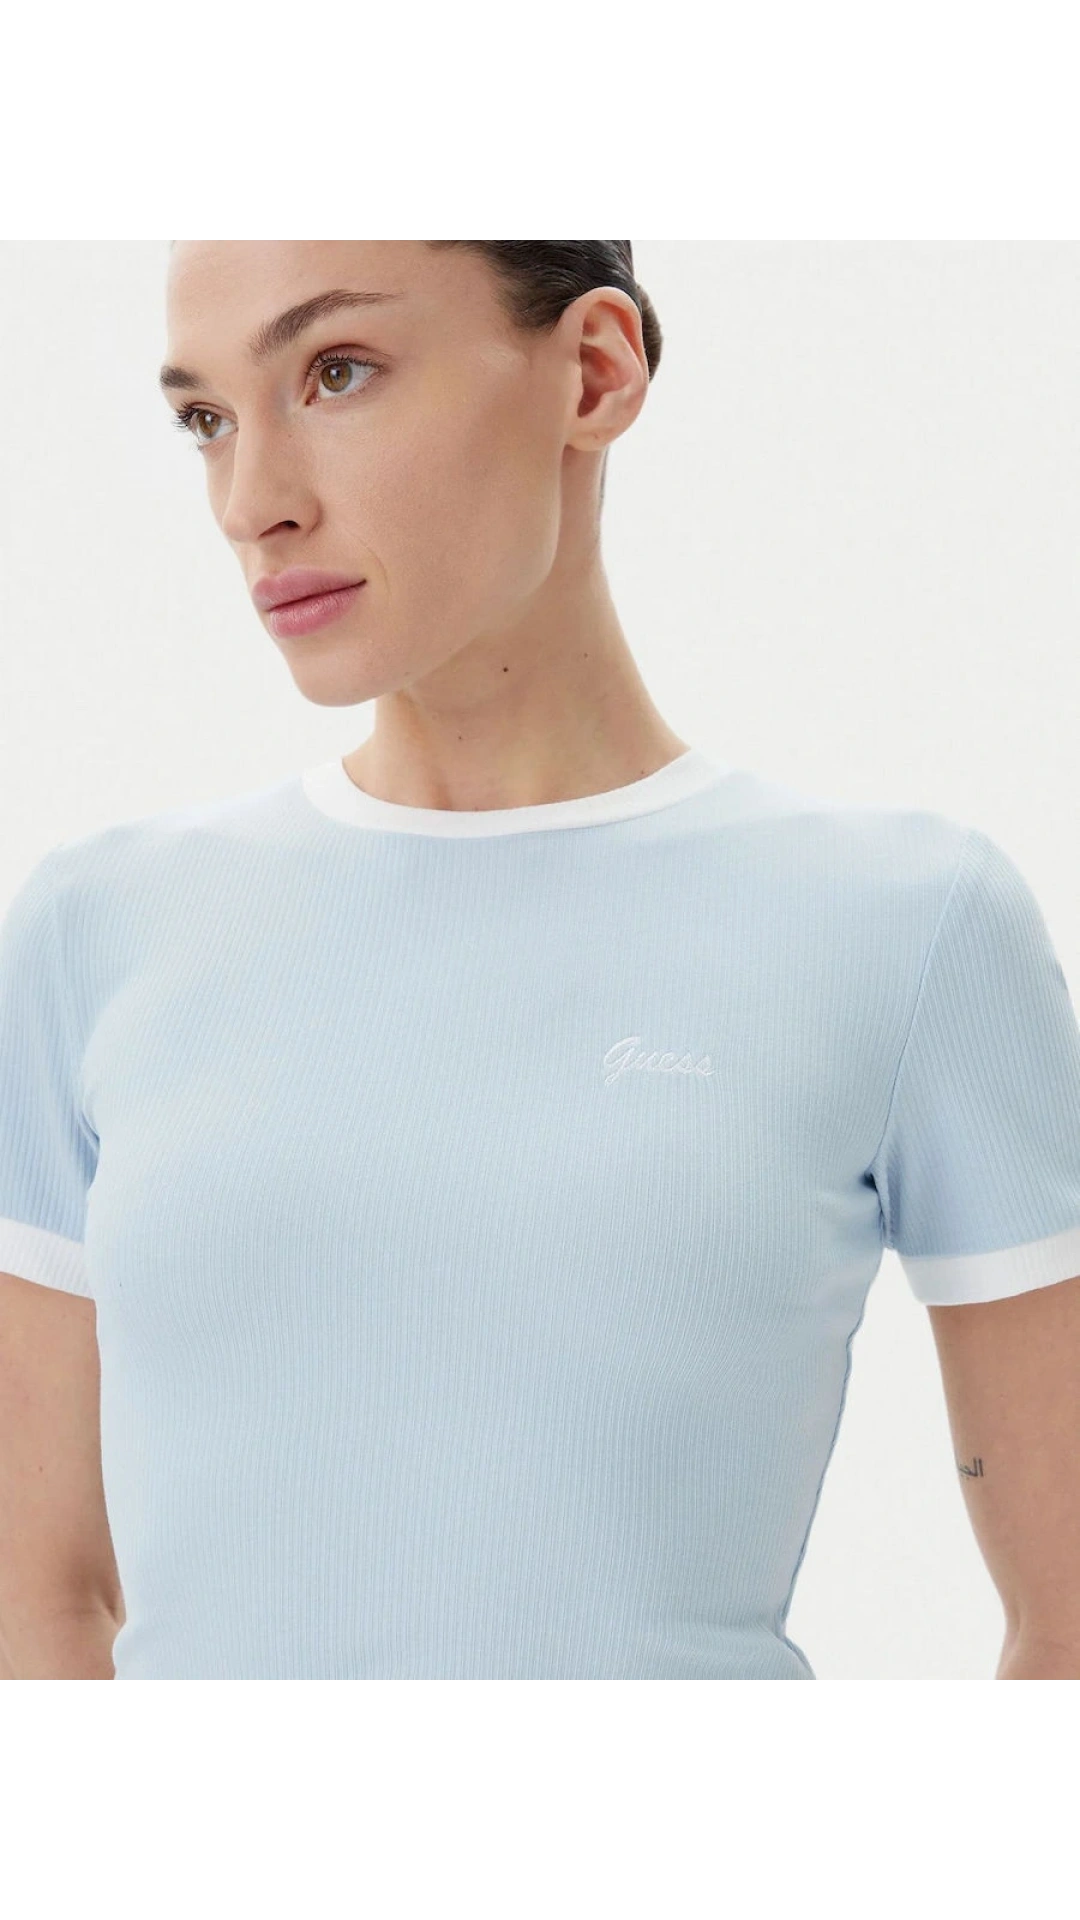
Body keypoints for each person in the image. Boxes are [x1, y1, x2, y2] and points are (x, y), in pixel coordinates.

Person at [1, 240, 1079, 1682]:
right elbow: (34, 1609)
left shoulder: (909, 922)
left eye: (337, 373)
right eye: (206, 417)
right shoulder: (95, 930)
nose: (252, 501)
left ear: (593, 371)